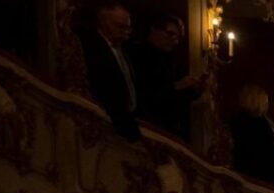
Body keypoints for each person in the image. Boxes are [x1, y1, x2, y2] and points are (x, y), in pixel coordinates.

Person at [129, 12, 195, 140]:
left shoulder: (170, 60)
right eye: (170, 34)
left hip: (168, 129)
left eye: (178, 37)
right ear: (154, 29)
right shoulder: (136, 53)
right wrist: (177, 86)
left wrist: (193, 90)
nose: (174, 41)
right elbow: (144, 94)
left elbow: (175, 101)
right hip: (144, 127)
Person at [79, 3, 138, 138]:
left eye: (128, 28)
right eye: (120, 26)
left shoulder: (124, 51)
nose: (126, 32)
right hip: (107, 125)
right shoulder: (91, 47)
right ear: (103, 22)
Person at [229, 84, 274, 189]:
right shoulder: (255, 125)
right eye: (265, 102)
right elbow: (258, 156)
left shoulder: (246, 122)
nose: (266, 106)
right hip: (258, 183)